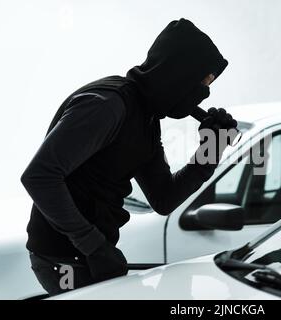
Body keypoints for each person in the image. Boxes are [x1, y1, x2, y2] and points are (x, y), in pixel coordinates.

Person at [20, 18, 236, 296]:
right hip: (62, 260)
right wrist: (94, 246)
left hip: (89, 254)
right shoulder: (107, 105)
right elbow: (39, 176)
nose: (203, 95)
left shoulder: (146, 118)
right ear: (179, 74)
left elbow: (164, 198)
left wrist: (212, 149)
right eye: (202, 83)